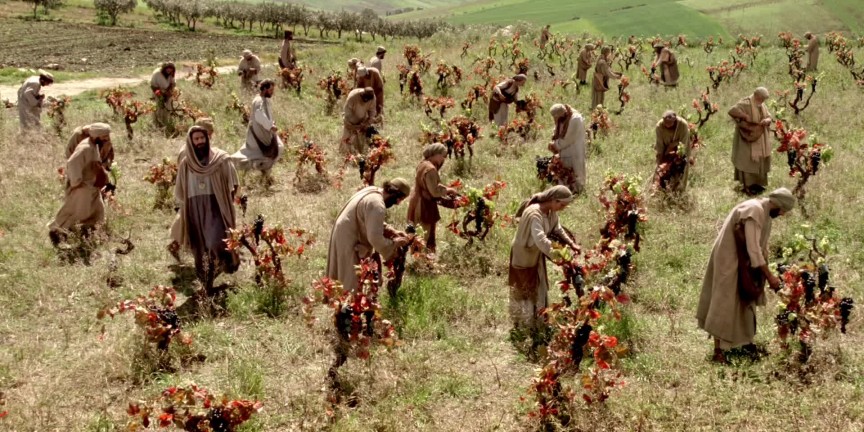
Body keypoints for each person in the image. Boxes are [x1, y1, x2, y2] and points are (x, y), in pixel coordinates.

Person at [697, 188, 796, 363]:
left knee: (746, 299)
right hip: (729, 259)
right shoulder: (754, 210)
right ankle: (718, 351)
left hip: (746, 261)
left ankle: (744, 342)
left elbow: (762, 248)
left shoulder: (766, 215)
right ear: (778, 204)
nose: (782, 214)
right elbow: (753, 248)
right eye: (782, 210)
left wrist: (766, 274)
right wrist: (770, 277)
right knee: (724, 302)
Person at [174, 125, 239, 290]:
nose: (200, 142)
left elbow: (234, 184)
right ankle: (207, 284)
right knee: (200, 248)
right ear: (191, 142)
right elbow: (180, 192)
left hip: (216, 208)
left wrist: (228, 203)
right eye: (196, 139)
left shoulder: (221, 159)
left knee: (217, 242)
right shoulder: (186, 164)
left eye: (202, 138)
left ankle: (224, 266)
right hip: (195, 211)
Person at [508, 186, 579, 336]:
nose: (563, 208)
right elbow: (540, 240)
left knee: (538, 284)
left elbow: (558, 229)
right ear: (554, 200)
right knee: (524, 287)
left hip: (535, 253)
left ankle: (539, 322)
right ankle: (525, 326)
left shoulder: (550, 212)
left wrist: (571, 244)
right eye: (562, 205)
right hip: (524, 255)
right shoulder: (535, 213)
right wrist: (560, 256)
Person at [326, 178, 412, 292]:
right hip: (350, 238)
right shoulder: (377, 204)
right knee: (350, 278)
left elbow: (370, 219)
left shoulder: (373, 191)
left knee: (342, 273)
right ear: (395, 193)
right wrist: (394, 244)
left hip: (343, 232)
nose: (397, 203)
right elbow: (375, 238)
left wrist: (391, 231)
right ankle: (346, 307)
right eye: (399, 199)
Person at [48, 124, 113, 245]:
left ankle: (88, 237)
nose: (107, 139)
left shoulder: (94, 145)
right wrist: (76, 182)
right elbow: (72, 163)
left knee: (97, 212)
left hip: (91, 187)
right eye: (104, 136)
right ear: (97, 136)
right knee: (74, 213)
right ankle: (56, 232)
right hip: (82, 189)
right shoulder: (85, 147)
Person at [169, 117, 216, 262]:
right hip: (191, 191)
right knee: (185, 219)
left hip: (200, 191)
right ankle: (174, 244)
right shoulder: (187, 151)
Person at [406, 144, 459, 253]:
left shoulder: (422, 164)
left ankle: (420, 259)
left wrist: (446, 188)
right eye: (442, 156)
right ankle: (423, 261)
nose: (443, 159)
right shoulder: (430, 169)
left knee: (417, 231)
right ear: (435, 154)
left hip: (416, 200)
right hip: (424, 204)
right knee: (424, 233)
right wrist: (449, 191)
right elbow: (434, 192)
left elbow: (432, 185)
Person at [230, 80, 284, 184]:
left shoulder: (263, 99)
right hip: (260, 134)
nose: (272, 92)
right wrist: (270, 126)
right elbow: (259, 115)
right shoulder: (259, 101)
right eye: (271, 90)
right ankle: (238, 164)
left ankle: (265, 174)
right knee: (274, 149)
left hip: (263, 132)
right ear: (264, 89)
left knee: (262, 152)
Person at [728, 87, 773, 195]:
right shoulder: (746, 103)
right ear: (757, 96)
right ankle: (747, 186)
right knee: (747, 162)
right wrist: (744, 115)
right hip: (747, 138)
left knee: (760, 162)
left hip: (760, 137)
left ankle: (758, 184)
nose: (763, 101)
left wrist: (767, 120)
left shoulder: (761, 105)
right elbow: (732, 111)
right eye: (762, 99)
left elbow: (768, 116)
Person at [547, 104, 586, 194]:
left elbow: (569, 139)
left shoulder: (575, 119)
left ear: (563, 114)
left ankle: (578, 190)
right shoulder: (562, 117)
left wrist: (555, 145)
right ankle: (566, 191)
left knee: (576, 169)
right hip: (564, 149)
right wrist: (553, 141)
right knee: (564, 169)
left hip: (575, 148)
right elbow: (557, 128)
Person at [655, 110, 691, 192]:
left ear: (675, 120)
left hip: (680, 152)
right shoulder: (659, 127)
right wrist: (660, 158)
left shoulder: (682, 125)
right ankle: (660, 190)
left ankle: (679, 192)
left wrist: (672, 146)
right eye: (665, 122)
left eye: (669, 123)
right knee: (661, 171)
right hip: (665, 151)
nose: (666, 125)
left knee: (682, 171)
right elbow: (659, 145)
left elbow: (683, 144)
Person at [340, 87, 379, 155]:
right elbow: (347, 113)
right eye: (364, 99)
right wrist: (352, 126)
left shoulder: (372, 98)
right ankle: (344, 155)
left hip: (362, 119)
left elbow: (372, 112)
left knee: (360, 140)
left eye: (367, 100)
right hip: (350, 120)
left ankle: (357, 154)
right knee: (346, 140)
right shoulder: (353, 97)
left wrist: (366, 123)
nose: (366, 101)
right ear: (362, 95)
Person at [150, 62, 176, 129]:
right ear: (164, 68)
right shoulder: (157, 74)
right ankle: (157, 125)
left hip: (168, 94)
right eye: (168, 69)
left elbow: (173, 83)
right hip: (157, 94)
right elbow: (153, 86)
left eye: (171, 69)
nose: (169, 70)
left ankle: (166, 124)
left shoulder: (170, 74)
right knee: (158, 109)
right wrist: (160, 94)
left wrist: (169, 91)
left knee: (167, 109)